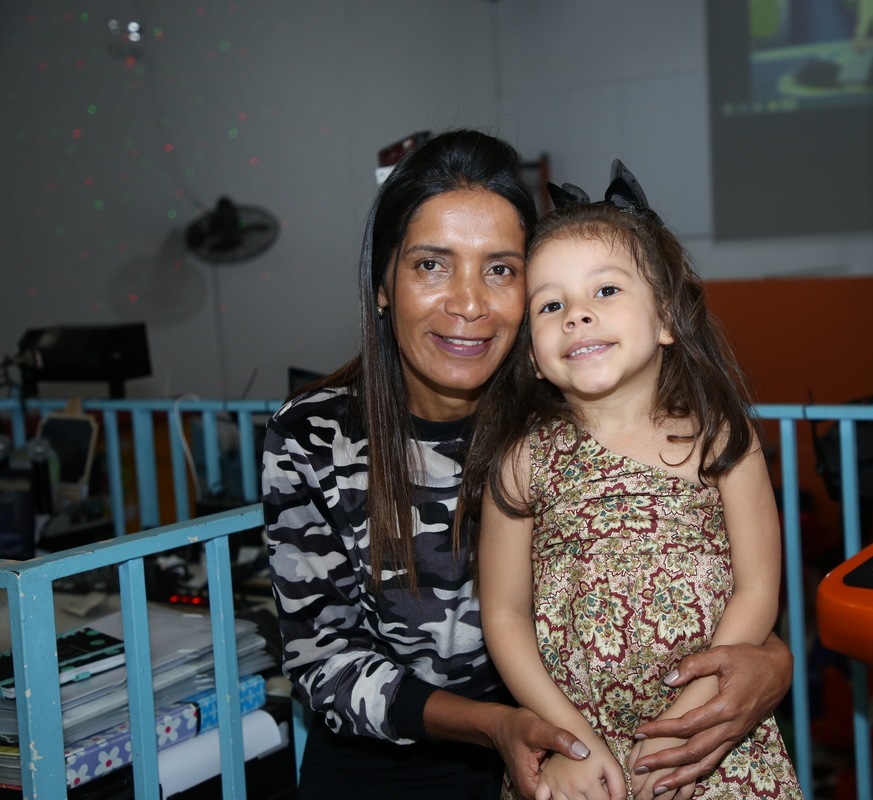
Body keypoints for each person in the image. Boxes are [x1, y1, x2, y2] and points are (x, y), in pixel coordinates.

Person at [262, 132, 795, 800]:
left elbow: (703, 582)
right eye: (431, 265)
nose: (469, 302)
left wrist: (769, 660)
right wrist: (505, 726)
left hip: (603, 749)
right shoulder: (316, 436)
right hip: (406, 759)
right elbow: (324, 661)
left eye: (500, 270)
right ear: (382, 285)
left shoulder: (571, 408)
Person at [464, 162, 802, 800]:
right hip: (578, 756)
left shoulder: (720, 435)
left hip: (709, 744)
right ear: (532, 353)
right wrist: (566, 739)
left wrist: (688, 724)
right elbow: (504, 615)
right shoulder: (522, 457)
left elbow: (758, 589)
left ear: (667, 318)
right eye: (551, 305)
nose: (577, 316)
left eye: (606, 291)